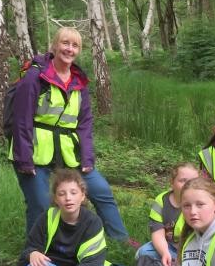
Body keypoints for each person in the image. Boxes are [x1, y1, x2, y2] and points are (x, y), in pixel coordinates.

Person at [8, 27, 129, 244]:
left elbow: (85, 123)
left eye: (75, 46)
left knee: (101, 191)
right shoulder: (35, 77)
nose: (69, 49)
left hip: (69, 151)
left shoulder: (78, 81)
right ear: (54, 45)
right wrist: (24, 159)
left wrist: (88, 158)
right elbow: (21, 120)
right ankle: (36, 253)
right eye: (65, 43)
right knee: (40, 204)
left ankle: (121, 243)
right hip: (34, 152)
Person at [132, 161, 199, 266]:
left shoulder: (201, 202)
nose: (188, 185)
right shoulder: (161, 200)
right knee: (142, 253)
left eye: (193, 181)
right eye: (182, 180)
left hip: (192, 247)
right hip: (169, 246)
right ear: (172, 182)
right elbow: (157, 232)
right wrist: (165, 253)